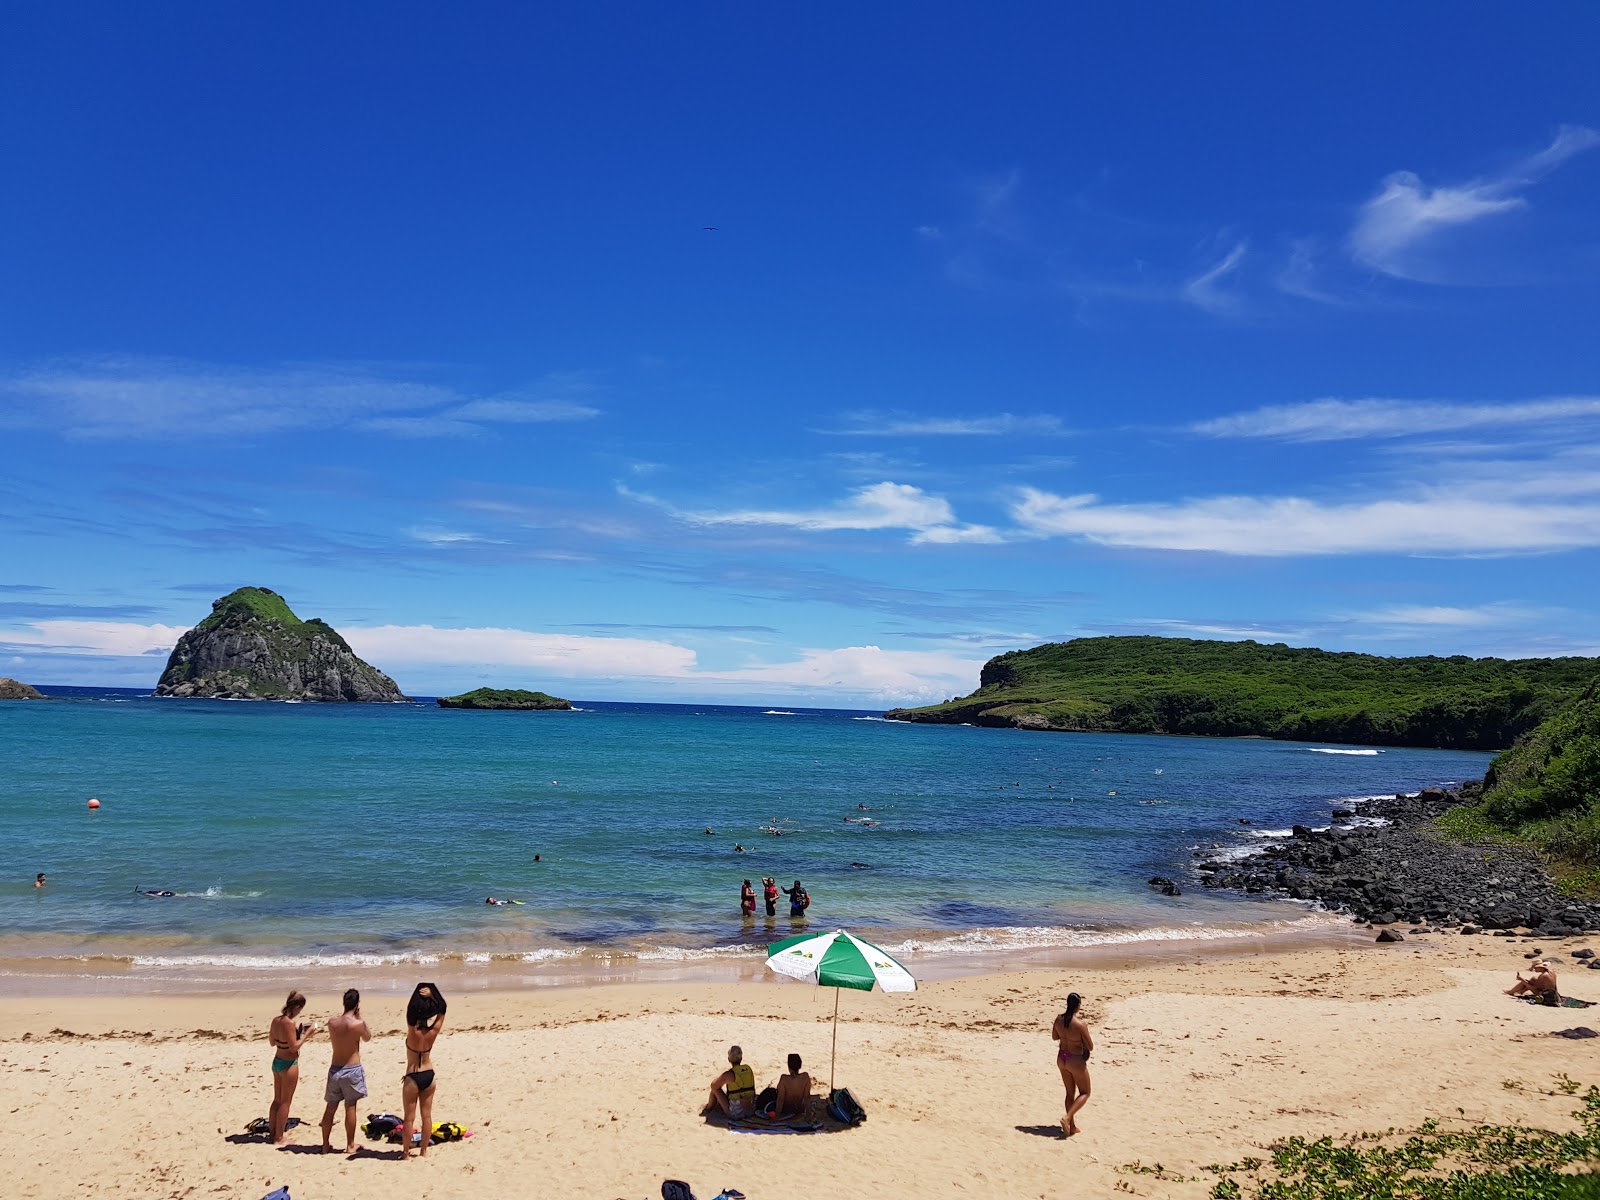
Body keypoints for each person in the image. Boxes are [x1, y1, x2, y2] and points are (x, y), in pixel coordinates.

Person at [320, 988, 371, 1154]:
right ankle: (350, 1145)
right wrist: (359, 1017)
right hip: (352, 1068)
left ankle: (325, 1144)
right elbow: (367, 1037)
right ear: (357, 1005)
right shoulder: (358, 1024)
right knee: (350, 1106)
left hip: (335, 1068)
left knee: (331, 1107)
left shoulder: (332, 1022)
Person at [400, 982, 446, 1159]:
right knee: (426, 1116)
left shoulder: (412, 1031)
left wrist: (418, 996)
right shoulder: (433, 1031)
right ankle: (424, 1151)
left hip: (413, 1076)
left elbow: (410, 1010)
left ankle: (405, 1153)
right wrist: (433, 994)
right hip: (429, 1075)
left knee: (409, 1118)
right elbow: (443, 1008)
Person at [268, 991, 319, 1144]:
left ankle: (272, 1133)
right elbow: (294, 1047)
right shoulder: (289, 1023)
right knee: (285, 1102)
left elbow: (272, 1042)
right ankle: (279, 1137)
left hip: (277, 1060)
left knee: (277, 1099)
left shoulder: (276, 1020)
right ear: (296, 1007)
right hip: (288, 1064)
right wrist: (306, 1034)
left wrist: (289, 1037)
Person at [1051, 992, 1093, 1136]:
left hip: (1062, 1057)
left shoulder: (1058, 1019)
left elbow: (1054, 1036)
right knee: (1085, 1092)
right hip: (1074, 1059)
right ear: (1078, 1006)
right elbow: (1090, 1046)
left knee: (1070, 1093)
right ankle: (1067, 1118)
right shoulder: (1080, 1025)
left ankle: (1072, 1127)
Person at [706, 1044, 757, 1118]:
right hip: (751, 1110)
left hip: (737, 1113)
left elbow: (714, 1085)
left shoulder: (729, 1074)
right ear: (741, 1058)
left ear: (729, 1059)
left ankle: (708, 1109)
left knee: (715, 1089)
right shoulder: (748, 1069)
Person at [774, 1052, 812, 1118]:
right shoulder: (805, 1077)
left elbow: (780, 1099)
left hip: (786, 1110)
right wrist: (809, 1114)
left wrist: (777, 1116)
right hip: (799, 1109)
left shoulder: (784, 1079)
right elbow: (807, 1097)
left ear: (789, 1066)